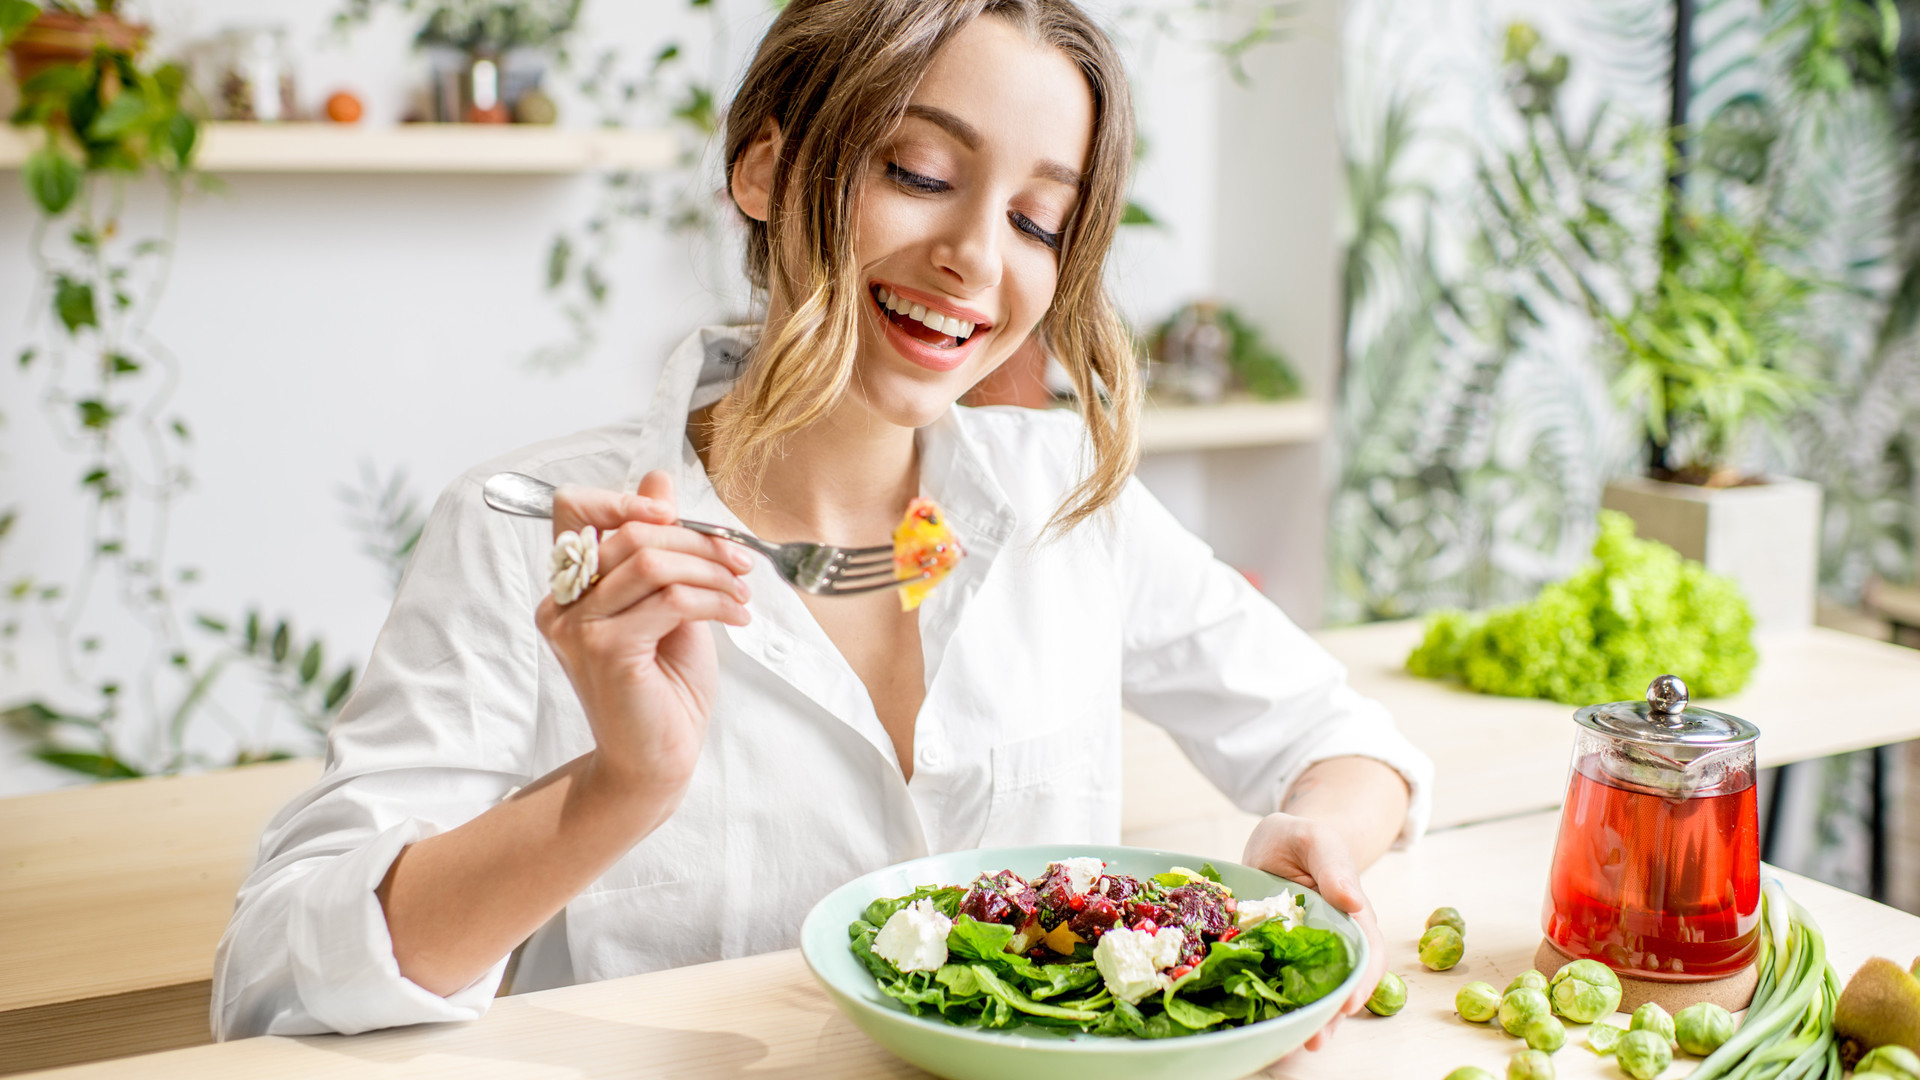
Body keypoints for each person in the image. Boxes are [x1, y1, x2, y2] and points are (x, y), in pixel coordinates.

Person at [212, 0, 1432, 1049]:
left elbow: (1345, 740)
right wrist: (620, 788)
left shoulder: (1068, 498)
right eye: (919, 174)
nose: (972, 259)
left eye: (1037, 221)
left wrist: (1310, 842)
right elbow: (272, 986)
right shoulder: (528, 528)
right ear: (765, 168)